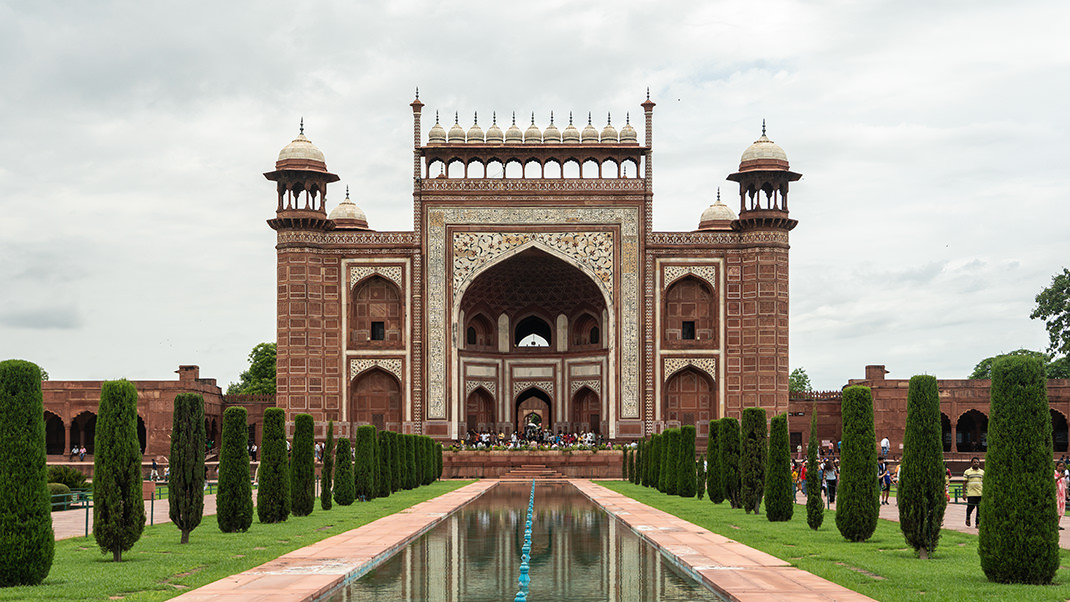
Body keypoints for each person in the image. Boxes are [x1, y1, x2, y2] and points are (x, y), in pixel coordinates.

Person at [963, 457, 984, 528]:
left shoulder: (982, 472)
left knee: (979, 509)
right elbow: (964, 483)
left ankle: (977, 523)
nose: (976, 463)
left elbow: (984, 482)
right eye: (974, 462)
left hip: (980, 493)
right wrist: (964, 493)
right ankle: (968, 517)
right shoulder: (967, 472)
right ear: (971, 463)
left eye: (977, 462)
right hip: (971, 493)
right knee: (970, 507)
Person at [1056, 461, 1067, 530]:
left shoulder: (1062, 474)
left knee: (1061, 510)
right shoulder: (1054, 473)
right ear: (1056, 466)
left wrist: (1067, 493)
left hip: (1062, 494)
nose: (1060, 468)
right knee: (1057, 509)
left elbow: (1064, 485)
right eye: (1059, 466)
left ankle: (1058, 524)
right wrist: (1059, 477)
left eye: (1062, 466)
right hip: (1056, 493)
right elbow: (1053, 481)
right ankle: (1055, 524)